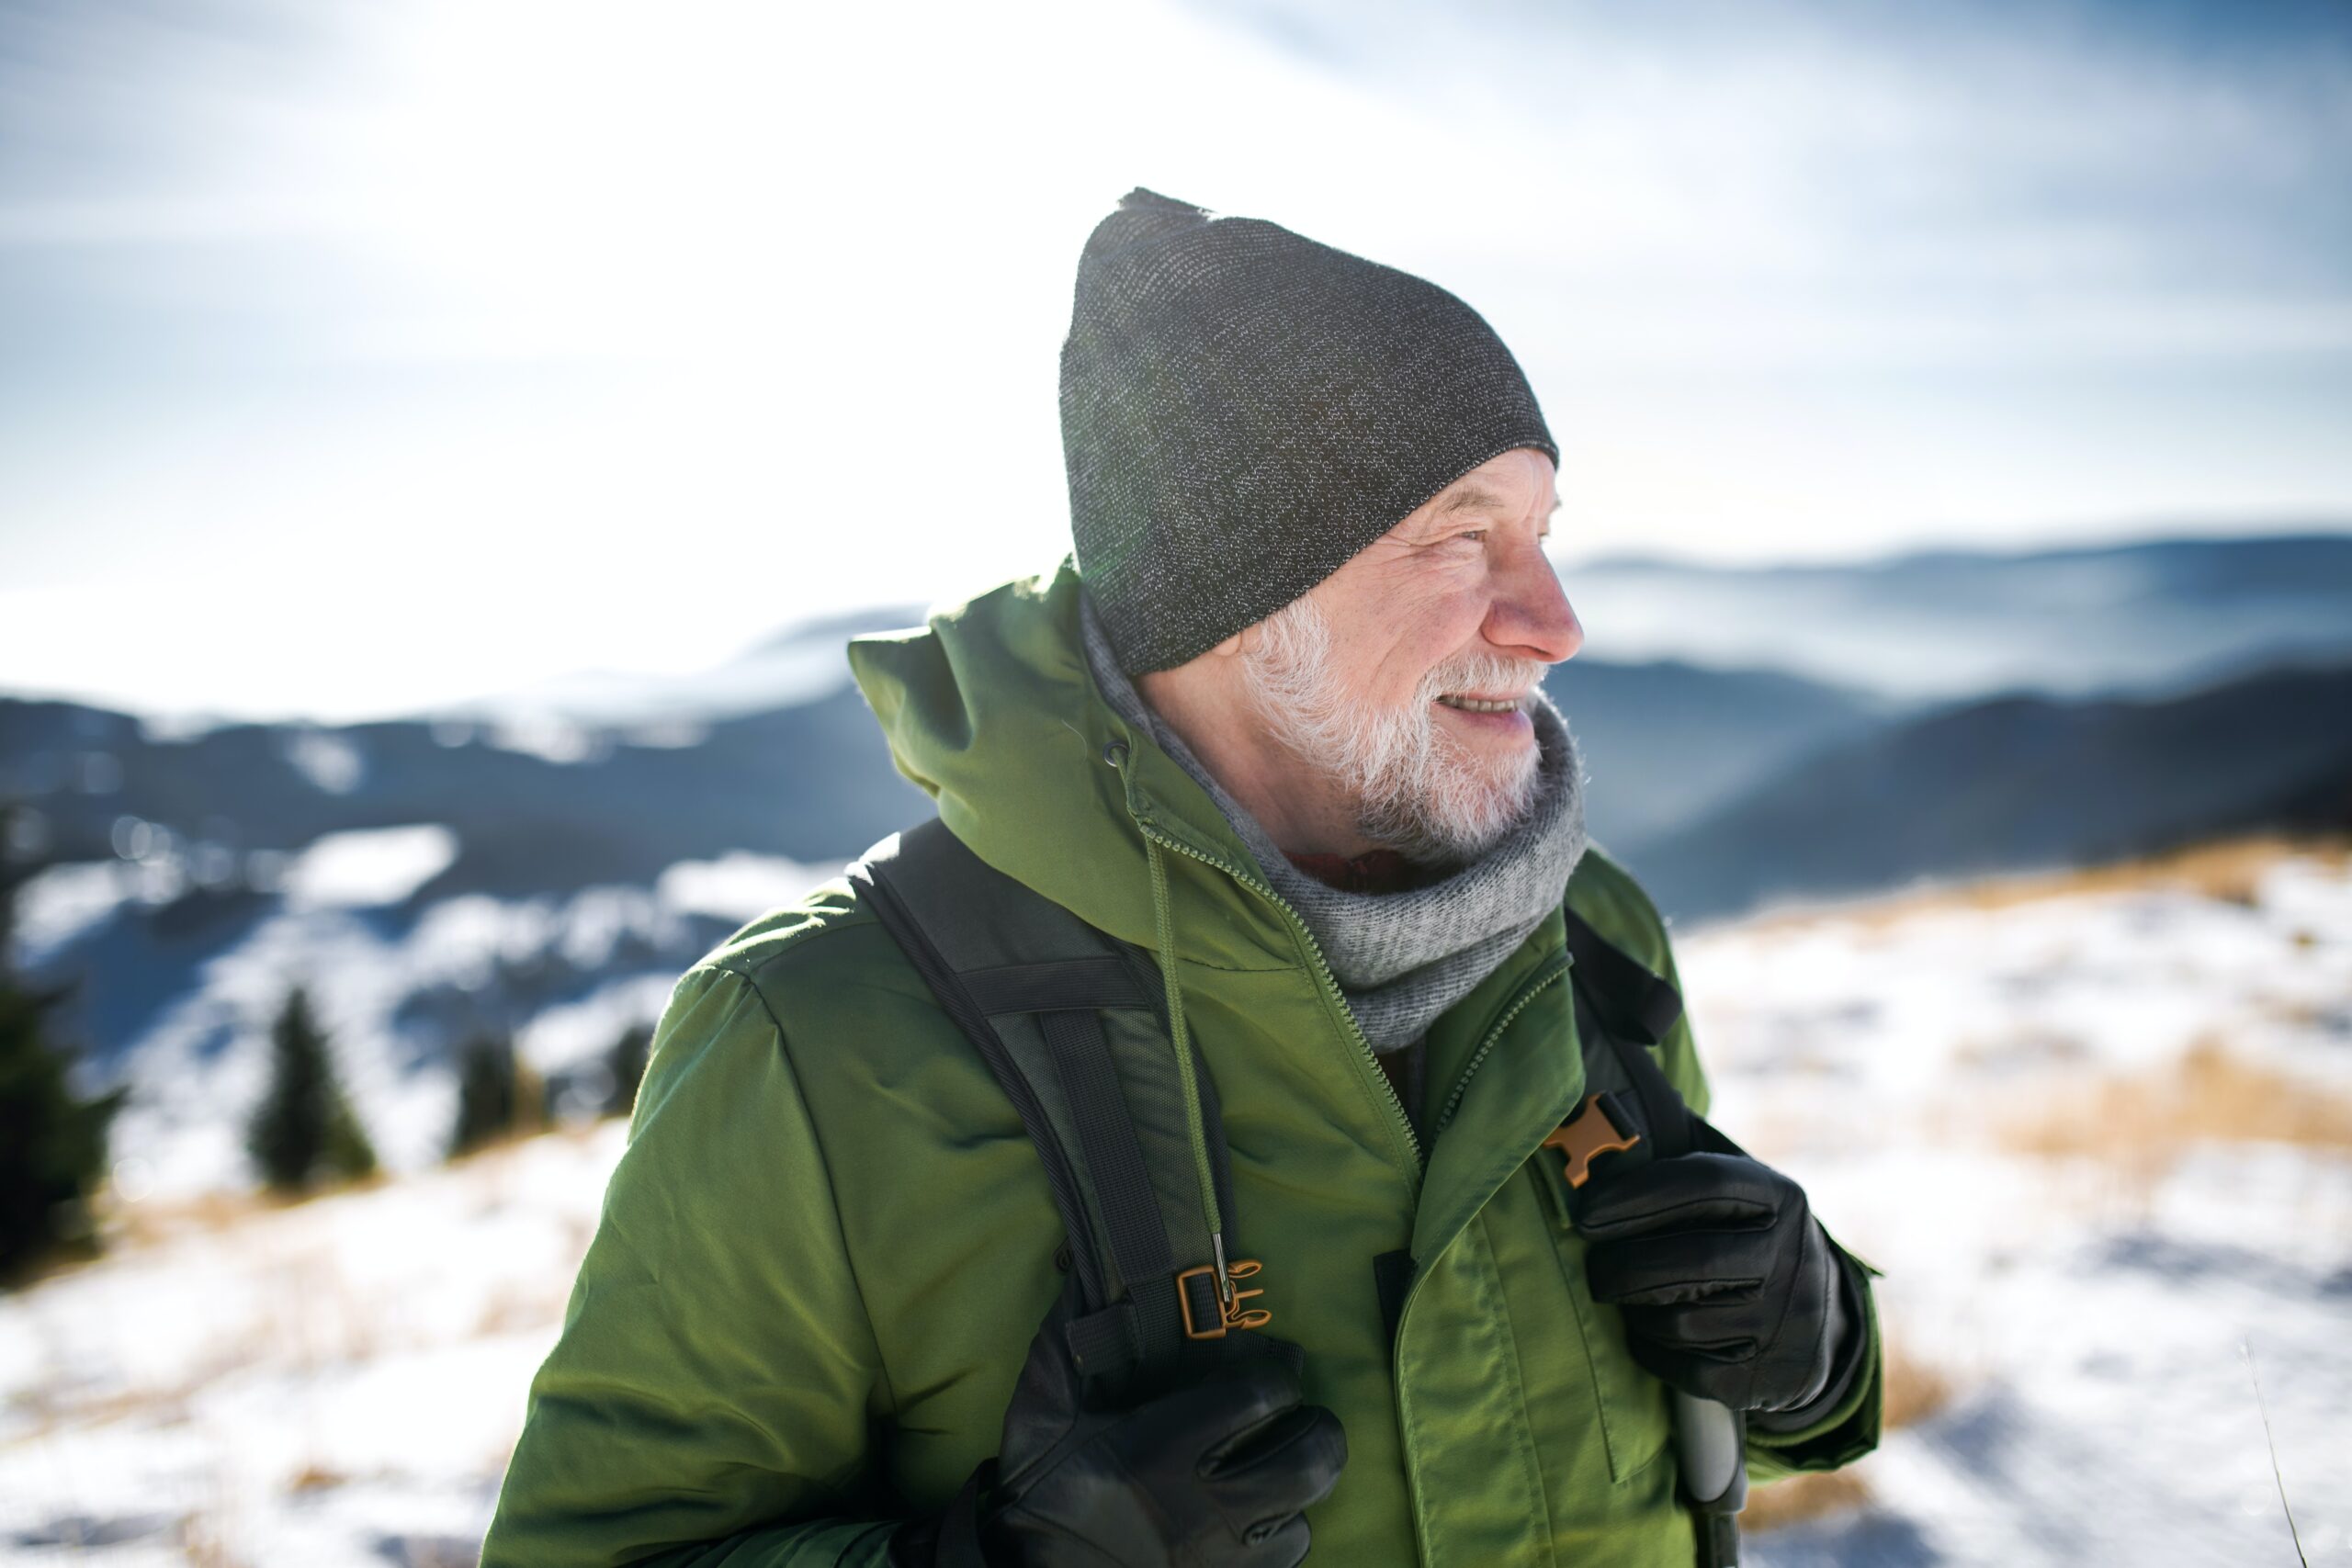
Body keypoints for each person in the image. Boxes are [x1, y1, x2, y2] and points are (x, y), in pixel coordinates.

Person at [481, 187, 1882, 1568]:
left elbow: (1660, 1431)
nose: (1557, 623)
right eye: (1463, 537)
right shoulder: (819, 1040)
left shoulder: (1587, 934)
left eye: (1543, 532)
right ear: (1238, 592)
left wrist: (1816, 1352)